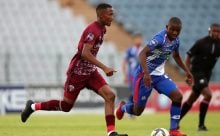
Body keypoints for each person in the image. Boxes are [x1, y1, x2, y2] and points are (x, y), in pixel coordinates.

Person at [21, 3, 127, 136]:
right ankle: (32, 106)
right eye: (110, 14)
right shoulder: (93, 30)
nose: (113, 17)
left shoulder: (102, 29)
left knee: (110, 96)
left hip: (90, 72)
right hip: (77, 73)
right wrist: (104, 67)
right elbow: (85, 53)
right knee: (66, 106)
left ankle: (111, 133)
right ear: (101, 16)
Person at [116, 17, 193, 136]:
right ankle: (122, 108)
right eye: (172, 30)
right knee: (137, 111)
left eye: (178, 31)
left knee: (177, 96)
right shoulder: (159, 39)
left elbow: (176, 56)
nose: (175, 33)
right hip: (144, 76)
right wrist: (146, 74)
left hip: (159, 76)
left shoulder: (176, 40)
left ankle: (174, 130)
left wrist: (187, 71)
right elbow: (142, 54)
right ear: (167, 27)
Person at [179, 23, 220, 131]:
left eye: (218, 32)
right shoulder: (201, 42)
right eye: (214, 31)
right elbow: (188, 55)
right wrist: (187, 72)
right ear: (209, 31)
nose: (215, 33)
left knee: (192, 99)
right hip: (196, 72)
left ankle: (176, 122)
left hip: (207, 74)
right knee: (208, 95)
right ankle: (201, 125)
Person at [122, 33, 143, 106]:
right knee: (134, 92)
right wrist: (124, 75)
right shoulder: (130, 50)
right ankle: (129, 108)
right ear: (134, 40)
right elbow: (124, 63)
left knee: (138, 92)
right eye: (137, 39)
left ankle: (129, 107)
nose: (139, 41)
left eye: (140, 39)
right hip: (132, 74)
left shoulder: (143, 50)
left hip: (141, 75)